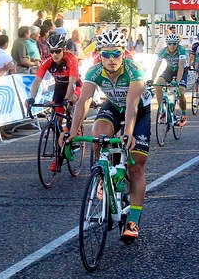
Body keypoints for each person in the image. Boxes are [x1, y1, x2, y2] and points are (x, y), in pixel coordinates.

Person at [60, 29, 150, 242]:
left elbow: (131, 104)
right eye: (107, 54)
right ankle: (103, 174)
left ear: (123, 53)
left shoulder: (134, 70)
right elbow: (84, 102)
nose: (111, 59)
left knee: (135, 166)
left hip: (138, 111)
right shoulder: (94, 71)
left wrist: (128, 134)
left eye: (116, 54)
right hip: (113, 106)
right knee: (98, 134)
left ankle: (133, 219)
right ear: (99, 54)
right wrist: (72, 133)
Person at [25, 33, 83, 169]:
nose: (55, 54)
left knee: (70, 103)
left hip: (74, 85)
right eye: (52, 51)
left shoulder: (71, 59)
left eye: (58, 51)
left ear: (64, 50)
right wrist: (31, 98)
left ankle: (76, 129)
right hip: (59, 87)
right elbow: (37, 81)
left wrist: (67, 100)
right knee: (56, 120)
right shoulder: (47, 61)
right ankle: (59, 155)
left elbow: (71, 84)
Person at [148, 32, 188, 127]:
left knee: (181, 92)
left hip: (181, 71)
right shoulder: (163, 51)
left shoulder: (181, 50)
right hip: (169, 70)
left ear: (177, 44)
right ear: (167, 44)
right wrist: (152, 79)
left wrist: (177, 81)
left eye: (174, 43)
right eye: (169, 43)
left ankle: (183, 114)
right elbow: (156, 66)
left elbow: (181, 67)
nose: (172, 46)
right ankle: (162, 111)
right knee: (158, 85)